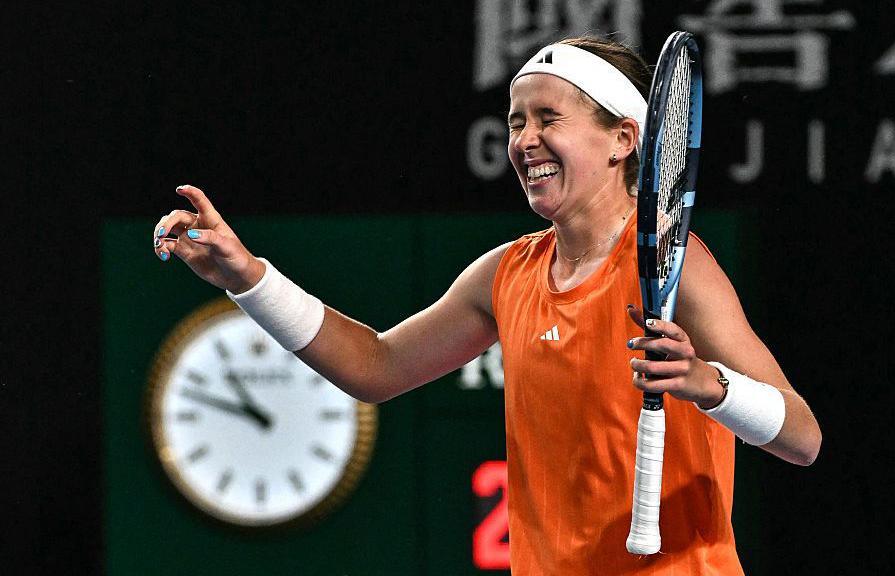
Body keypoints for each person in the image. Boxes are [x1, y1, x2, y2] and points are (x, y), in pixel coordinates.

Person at [153, 37, 821, 575]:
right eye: (516, 121)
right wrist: (248, 279)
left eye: (548, 119)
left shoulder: (683, 265)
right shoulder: (504, 274)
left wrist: (712, 386)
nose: (524, 140)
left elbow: (802, 437)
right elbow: (373, 366)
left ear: (623, 138)